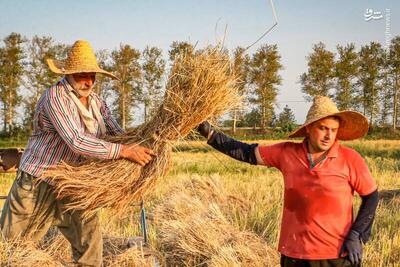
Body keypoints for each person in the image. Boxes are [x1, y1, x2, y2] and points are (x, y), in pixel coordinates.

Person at [0, 40, 155, 266]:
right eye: (83, 74)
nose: (88, 80)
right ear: (69, 73)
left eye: (92, 75)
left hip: (74, 182)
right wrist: (124, 151)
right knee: (12, 247)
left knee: (89, 243)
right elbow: (77, 141)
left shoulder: (97, 103)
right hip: (38, 181)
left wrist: (146, 142)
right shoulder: (56, 97)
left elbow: (115, 132)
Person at [198, 96, 379, 267]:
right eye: (323, 128)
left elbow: (371, 196)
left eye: (333, 130)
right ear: (308, 128)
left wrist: (356, 234)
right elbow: (247, 153)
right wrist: (211, 135)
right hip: (294, 255)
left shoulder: (350, 159)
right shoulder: (287, 153)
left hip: (336, 255)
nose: (328, 136)